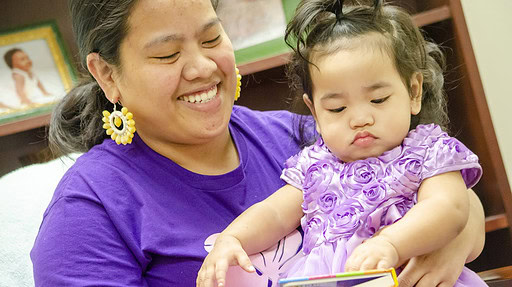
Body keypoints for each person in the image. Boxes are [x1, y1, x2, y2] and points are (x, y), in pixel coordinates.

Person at [30, 0, 485, 286]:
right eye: (167, 54)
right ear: (108, 74)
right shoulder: (89, 209)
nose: (202, 67)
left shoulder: (303, 135)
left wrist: (446, 240)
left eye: (212, 39)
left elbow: (448, 195)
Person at [197, 0, 488, 286]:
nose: (359, 119)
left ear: (413, 92)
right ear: (314, 112)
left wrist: (392, 243)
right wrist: (232, 238)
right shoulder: (314, 164)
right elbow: (272, 214)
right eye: (337, 108)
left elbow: (449, 208)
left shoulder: (429, 151)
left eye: (378, 99)